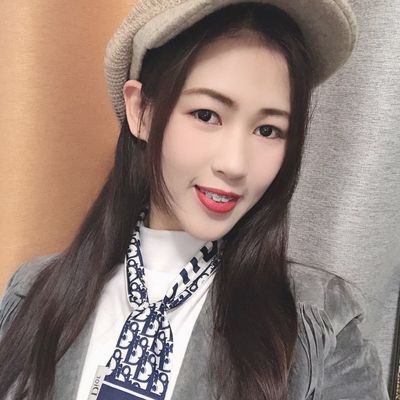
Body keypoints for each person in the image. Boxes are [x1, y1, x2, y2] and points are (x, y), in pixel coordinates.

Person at [0, 1, 390, 399]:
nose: (234, 164)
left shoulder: (318, 325)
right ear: (141, 111)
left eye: (268, 130)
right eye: (206, 115)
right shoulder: (32, 296)